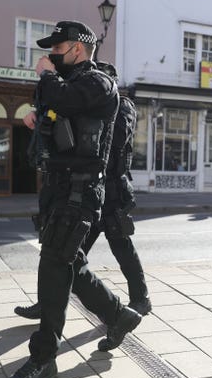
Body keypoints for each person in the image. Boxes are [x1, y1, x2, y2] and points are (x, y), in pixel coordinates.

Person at [1, 20, 141, 378]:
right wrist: (37, 117)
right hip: (58, 188)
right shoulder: (72, 84)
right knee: (70, 265)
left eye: (56, 50)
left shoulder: (99, 83)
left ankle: (44, 357)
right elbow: (58, 114)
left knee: (53, 266)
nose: (50, 57)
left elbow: (65, 100)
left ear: (77, 48)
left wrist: (47, 78)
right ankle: (118, 314)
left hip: (80, 193)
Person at [15, 86, 152, 320]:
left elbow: (116, 140)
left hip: (112, 191)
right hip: (90, 188)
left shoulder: (121, 106)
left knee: (121, 247)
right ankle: (46, 303)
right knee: (68, 252)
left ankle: (140, 299)